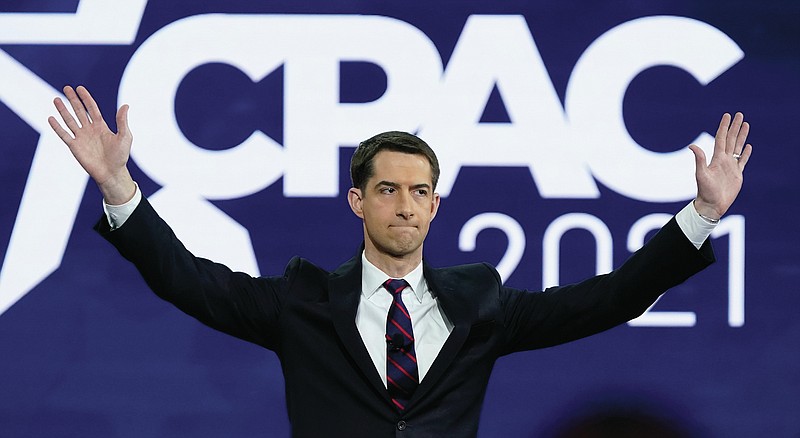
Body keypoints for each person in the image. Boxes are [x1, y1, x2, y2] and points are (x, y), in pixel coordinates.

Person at [48, 85, 752, 437]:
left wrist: (704, 214)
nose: (405, 205)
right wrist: (117, 187)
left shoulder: (481, 305)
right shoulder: (302, 303)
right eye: (388, 190)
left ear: (436, 206)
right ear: (358, 200)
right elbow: (188, 281)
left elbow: (613, 296)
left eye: (420, 192)